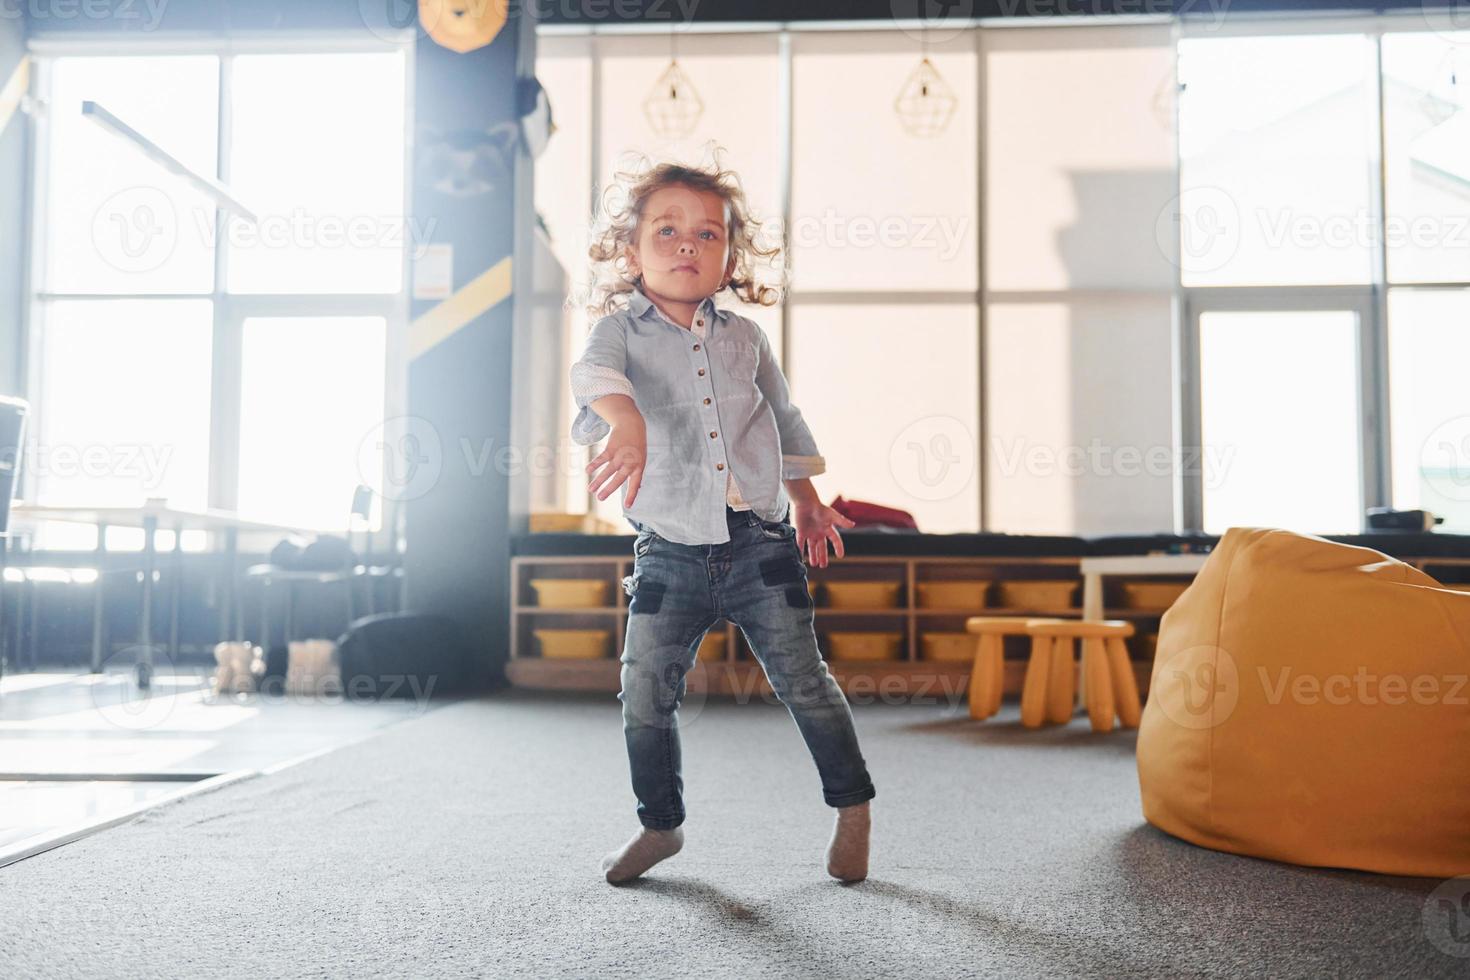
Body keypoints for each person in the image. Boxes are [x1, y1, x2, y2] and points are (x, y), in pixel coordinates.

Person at [568, 156, 877, 885]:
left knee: (805, 679)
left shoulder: (747, 340)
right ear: (631, 250)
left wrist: (806, 501)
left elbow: (785, 418)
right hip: (668, 553)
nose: (686, 245)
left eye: (706, 234)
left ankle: (853, 808)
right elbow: (595, 381)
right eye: (666, 230)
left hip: (760, 545)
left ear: (730, 256)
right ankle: (660, 825)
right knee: (645, 694)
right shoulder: (619, 333)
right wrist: (627, 423)